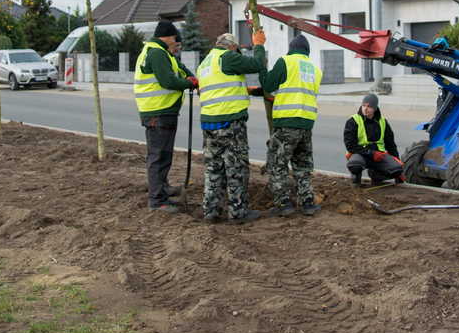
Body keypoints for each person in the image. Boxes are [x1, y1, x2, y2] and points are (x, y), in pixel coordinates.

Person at [196, 29, 268, 224]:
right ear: (232, 47)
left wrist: (245, 89)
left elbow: (218, 88)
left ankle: (211, 210)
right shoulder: (227, 57)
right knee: (236, 167)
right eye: (237, 50)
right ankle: (238, 212)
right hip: (230, 123)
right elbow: (257, 64)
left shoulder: (205, 63)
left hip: (209, 124)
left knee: (213, 168)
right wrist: (259, 44)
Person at [133, 20, 196, 213]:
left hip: (162, 111)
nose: (176, 46)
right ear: (167, 37)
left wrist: (190, 78)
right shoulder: (157, 53)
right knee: (158, 156)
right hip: (157, 112)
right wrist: (188, 84)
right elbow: (168, 81)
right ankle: (157, 200)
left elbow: (181, 70)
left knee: (163, 154)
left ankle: (163, 188)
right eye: (175, 42)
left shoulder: (161, 53)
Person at [260, 33, 323, 216]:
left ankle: (283, 204)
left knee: (277, 164)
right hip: (306, 124)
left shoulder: (285, 62)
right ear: (307, 52)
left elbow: (268, 84)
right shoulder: (315, 69)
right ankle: (307, 203)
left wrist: (263, 69)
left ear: (291, 49)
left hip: (287, 122)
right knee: (302, 165)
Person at [344, 93, 404, 185]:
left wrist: (397, 161)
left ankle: (376, 175)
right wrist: (371, 153)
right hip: (361, 153)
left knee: (397, 169)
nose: (365, 109)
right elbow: (350, 145)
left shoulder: (383, 121)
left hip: (379, 155)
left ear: (375, 108)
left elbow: (390, 144)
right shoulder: (353, 121)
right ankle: (356, 176)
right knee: (355, 165)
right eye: (363, 105)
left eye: (369, 106)